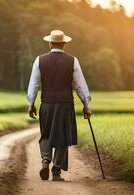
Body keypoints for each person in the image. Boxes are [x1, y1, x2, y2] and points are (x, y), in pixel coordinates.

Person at [27, 30, 92, 181]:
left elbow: (34, 84)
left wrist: (31, 104)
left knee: (46, 134)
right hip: (65, 104)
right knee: (63, 136)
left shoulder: (39, 60)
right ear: (64, 44)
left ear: (50, 43)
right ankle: (56, 172)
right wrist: (86, 105)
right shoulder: (73, 61)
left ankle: (45, 161)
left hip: (47, 104)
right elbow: (80, 86)